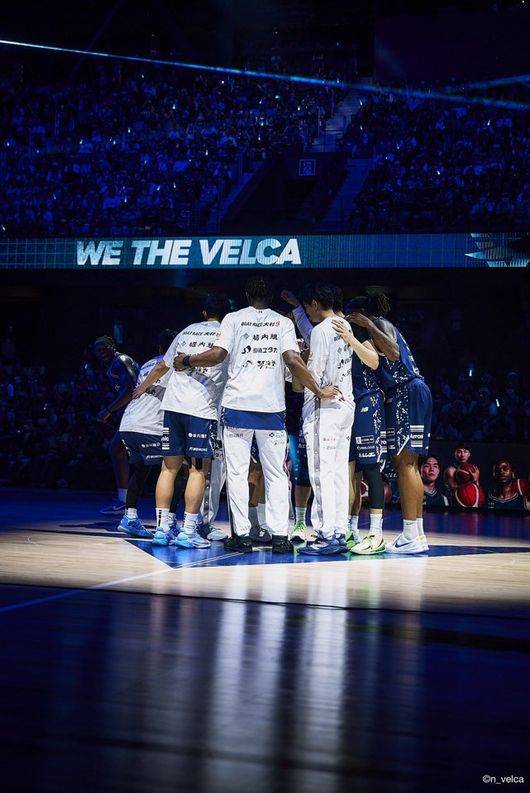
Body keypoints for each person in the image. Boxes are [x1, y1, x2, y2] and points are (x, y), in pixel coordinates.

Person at [173, 276, 339, 554]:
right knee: (276, 474)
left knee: (237, 474)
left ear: (248, 296)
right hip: (271, 409)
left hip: (237, 407)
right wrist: (318, 389)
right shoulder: (283, 322)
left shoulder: (233, 319)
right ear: (271, 298)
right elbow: (293, 360)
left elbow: (217, 354)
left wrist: (187, 360)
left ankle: (242, 536)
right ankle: (280, 536)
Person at [132, 294, 231, 548]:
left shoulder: (186, 331)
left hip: (173, 407)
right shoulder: (227, 332)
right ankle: (188, 531)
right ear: (227, 314)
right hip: (201, 409)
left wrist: (141, 387)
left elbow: (161, 366)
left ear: (204, 313)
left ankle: (161, 530)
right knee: (198, 471)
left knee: (168, 469)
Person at [349, 294, 432, 554]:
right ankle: (416, 534)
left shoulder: (379, 323)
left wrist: (368, 324)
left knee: (404, 464)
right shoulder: (384, 325)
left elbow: (393, 353)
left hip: (406, 392)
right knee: (411, 465)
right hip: (411, 391)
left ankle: (410, 534)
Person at [297, 283, 355, 556]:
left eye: (308, 307)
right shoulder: (345, 325)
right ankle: (339, 531)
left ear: (315, 304)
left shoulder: (320, 331)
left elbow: (314, 373)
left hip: (325, 408)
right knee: (339, 472)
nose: (308, 312)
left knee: (321, 472)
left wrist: (301, 363)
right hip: (345, 406)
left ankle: (326, 534)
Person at [332, 298, 387, 555]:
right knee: (347, 471)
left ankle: (376, 533)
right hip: (346, 403)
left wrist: (350, 338)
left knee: (371, 469)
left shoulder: (356, 329)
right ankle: (348, 529)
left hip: (367, 400)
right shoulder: (328, 330)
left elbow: (374, 361)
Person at [118, 330, 184, 538]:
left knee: (141, 470)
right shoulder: (172, 364)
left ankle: (129, 517)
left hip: (128, 423)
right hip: (149, 425)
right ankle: (169, 523)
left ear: (159, 347)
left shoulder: (147, 363)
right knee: (175, 470)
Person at [93, 336, 139, 514]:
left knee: (117, 449)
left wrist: (108, 410)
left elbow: (131, 390)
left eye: (104, 348)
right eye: (97, 350)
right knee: (117, 449)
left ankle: (124, 501)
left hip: (143, 411)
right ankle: (124, 501)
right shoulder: (112, 366)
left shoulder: (121, 360)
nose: (101, 352)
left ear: (112, 346)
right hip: (135, 412)